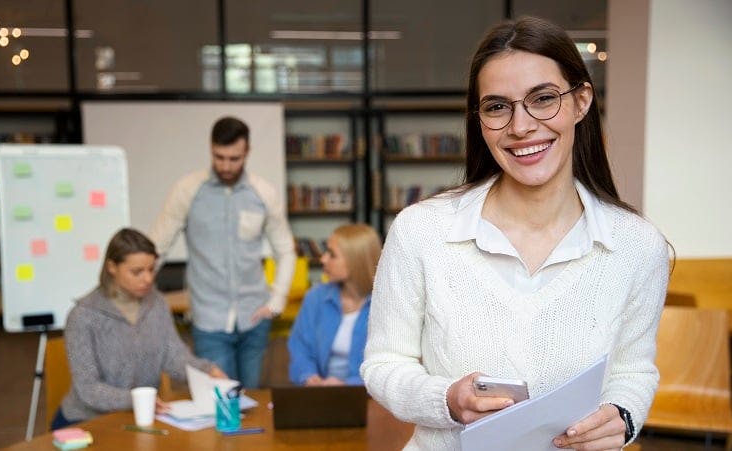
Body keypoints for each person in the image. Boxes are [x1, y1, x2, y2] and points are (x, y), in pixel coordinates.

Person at [360, 16, 669, 451]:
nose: (521, 127)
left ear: (581, 102)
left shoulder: (637, 246)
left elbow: (633, 371)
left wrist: (622, 416)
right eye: (497, 106)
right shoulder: (422, 231)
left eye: (543, 99)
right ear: (479, 118)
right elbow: (384, 364)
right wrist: (446, 399)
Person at [149, 116, 296, 388]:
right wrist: (141, 294)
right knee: (220, 402)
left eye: (234, 158)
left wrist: (277, 301)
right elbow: (158, 246)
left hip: (255, 318)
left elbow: (285, 250)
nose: (226, 166)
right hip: (208, 320)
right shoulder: (187, 190)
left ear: (247, 152)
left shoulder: (263, 193)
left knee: (251, 402)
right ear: (210, 149)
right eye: (219, 157)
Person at [52, 228, 226, 430]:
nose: (148, 279)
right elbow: (88, 389)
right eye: (137, 272)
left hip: (142, 417)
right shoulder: (83, 316)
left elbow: (174, 356)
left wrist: (207, 370)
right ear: (112, 267)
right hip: (86, 422)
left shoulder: (157, 304)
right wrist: (135, 400)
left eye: (151, 269)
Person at [288, 224, 381, 386]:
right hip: (320, 395)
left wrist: (347, 386)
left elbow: (387, 369)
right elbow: (300, 349)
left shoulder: (385, 305)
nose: (323, 259)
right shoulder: (316, 297)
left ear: (355, 261)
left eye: (332, 254)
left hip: (368, 399)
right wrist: (308, 376)